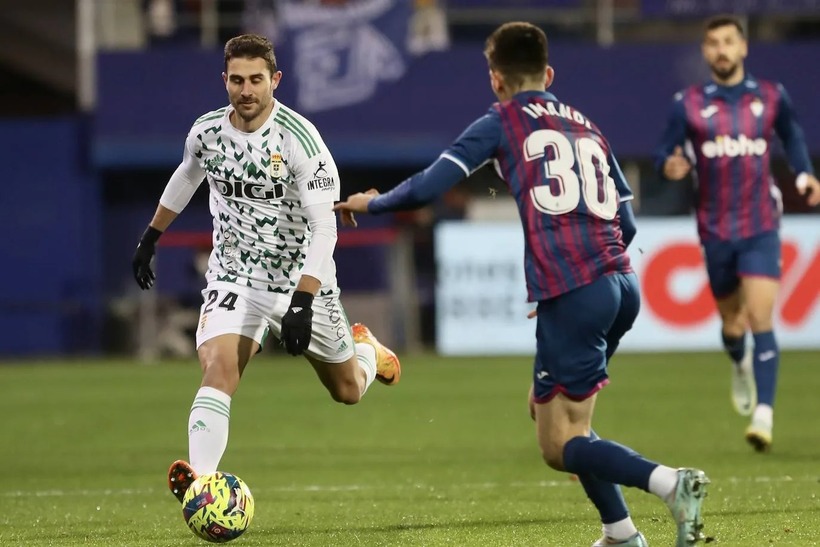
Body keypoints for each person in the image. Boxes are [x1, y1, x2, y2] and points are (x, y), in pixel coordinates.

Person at [335, 21, 709, 547]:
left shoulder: (502, 121)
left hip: (577, 290)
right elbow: (626, 224)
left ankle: (671, 484)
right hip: (622, 285)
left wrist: (371, 202)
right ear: (548, 74)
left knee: (558, 446)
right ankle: (621, 534)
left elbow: (426, 187)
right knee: (560, 415)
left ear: (495, 79)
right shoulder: (588, 126)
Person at [130, 33, 401, 503]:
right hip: (234, 274)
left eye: (256, 80)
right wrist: (151, 236)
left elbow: (325, 229)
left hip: (301, 280)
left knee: (348, 391)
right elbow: (187, 175)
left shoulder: (300, 141)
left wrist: (302, 301)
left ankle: (367, 352)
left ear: (275, 80)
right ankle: (203, 485)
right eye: (237, 80)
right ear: (225, 80)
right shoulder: (207, 133)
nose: (246, 90)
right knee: (218, 367)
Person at [653, 15, 820, 452]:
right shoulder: (687, 104)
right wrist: (669, 165)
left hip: (761, 224)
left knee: (761, 317)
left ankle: (764, 415)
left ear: (743, 47)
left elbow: (793, 136)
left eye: (729, 41)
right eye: (713, 43)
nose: (721, 49)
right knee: (732, 323)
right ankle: (739, 361)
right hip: (714, 229)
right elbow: (663, 152)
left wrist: (804, 173)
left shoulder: (770, 95)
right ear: (705, 51)